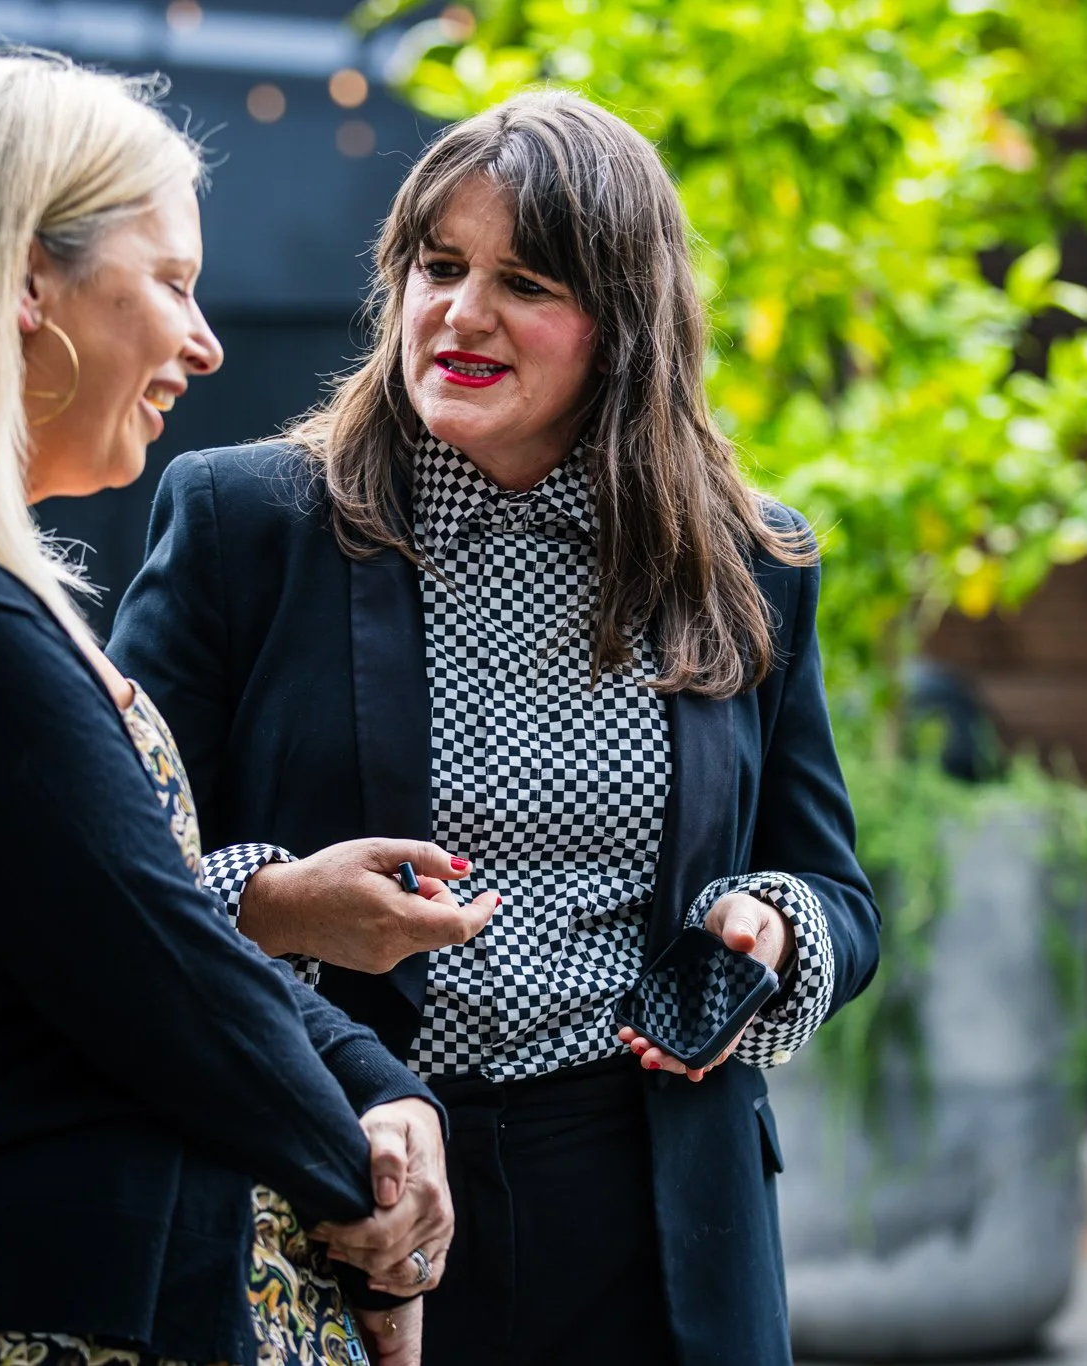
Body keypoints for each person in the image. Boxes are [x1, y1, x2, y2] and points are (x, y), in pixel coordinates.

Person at [109, 90, 880, 1366]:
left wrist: (776, 924)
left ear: (622, 327)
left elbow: (840, 896)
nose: (461, 314)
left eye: (523, 281)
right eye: (438, 265)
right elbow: (111, 885)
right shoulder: (247, 525)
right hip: (342, 1193)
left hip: (657, 1215)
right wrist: (284, 903)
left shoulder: (744, 558)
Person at [0, 53, 456, 1366]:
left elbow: (155, 921)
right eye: (172, 279)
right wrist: (378, 1220)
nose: (206, 336)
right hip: (55, 1314)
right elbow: (166, 983)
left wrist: (379, 1087)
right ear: (23, 277)